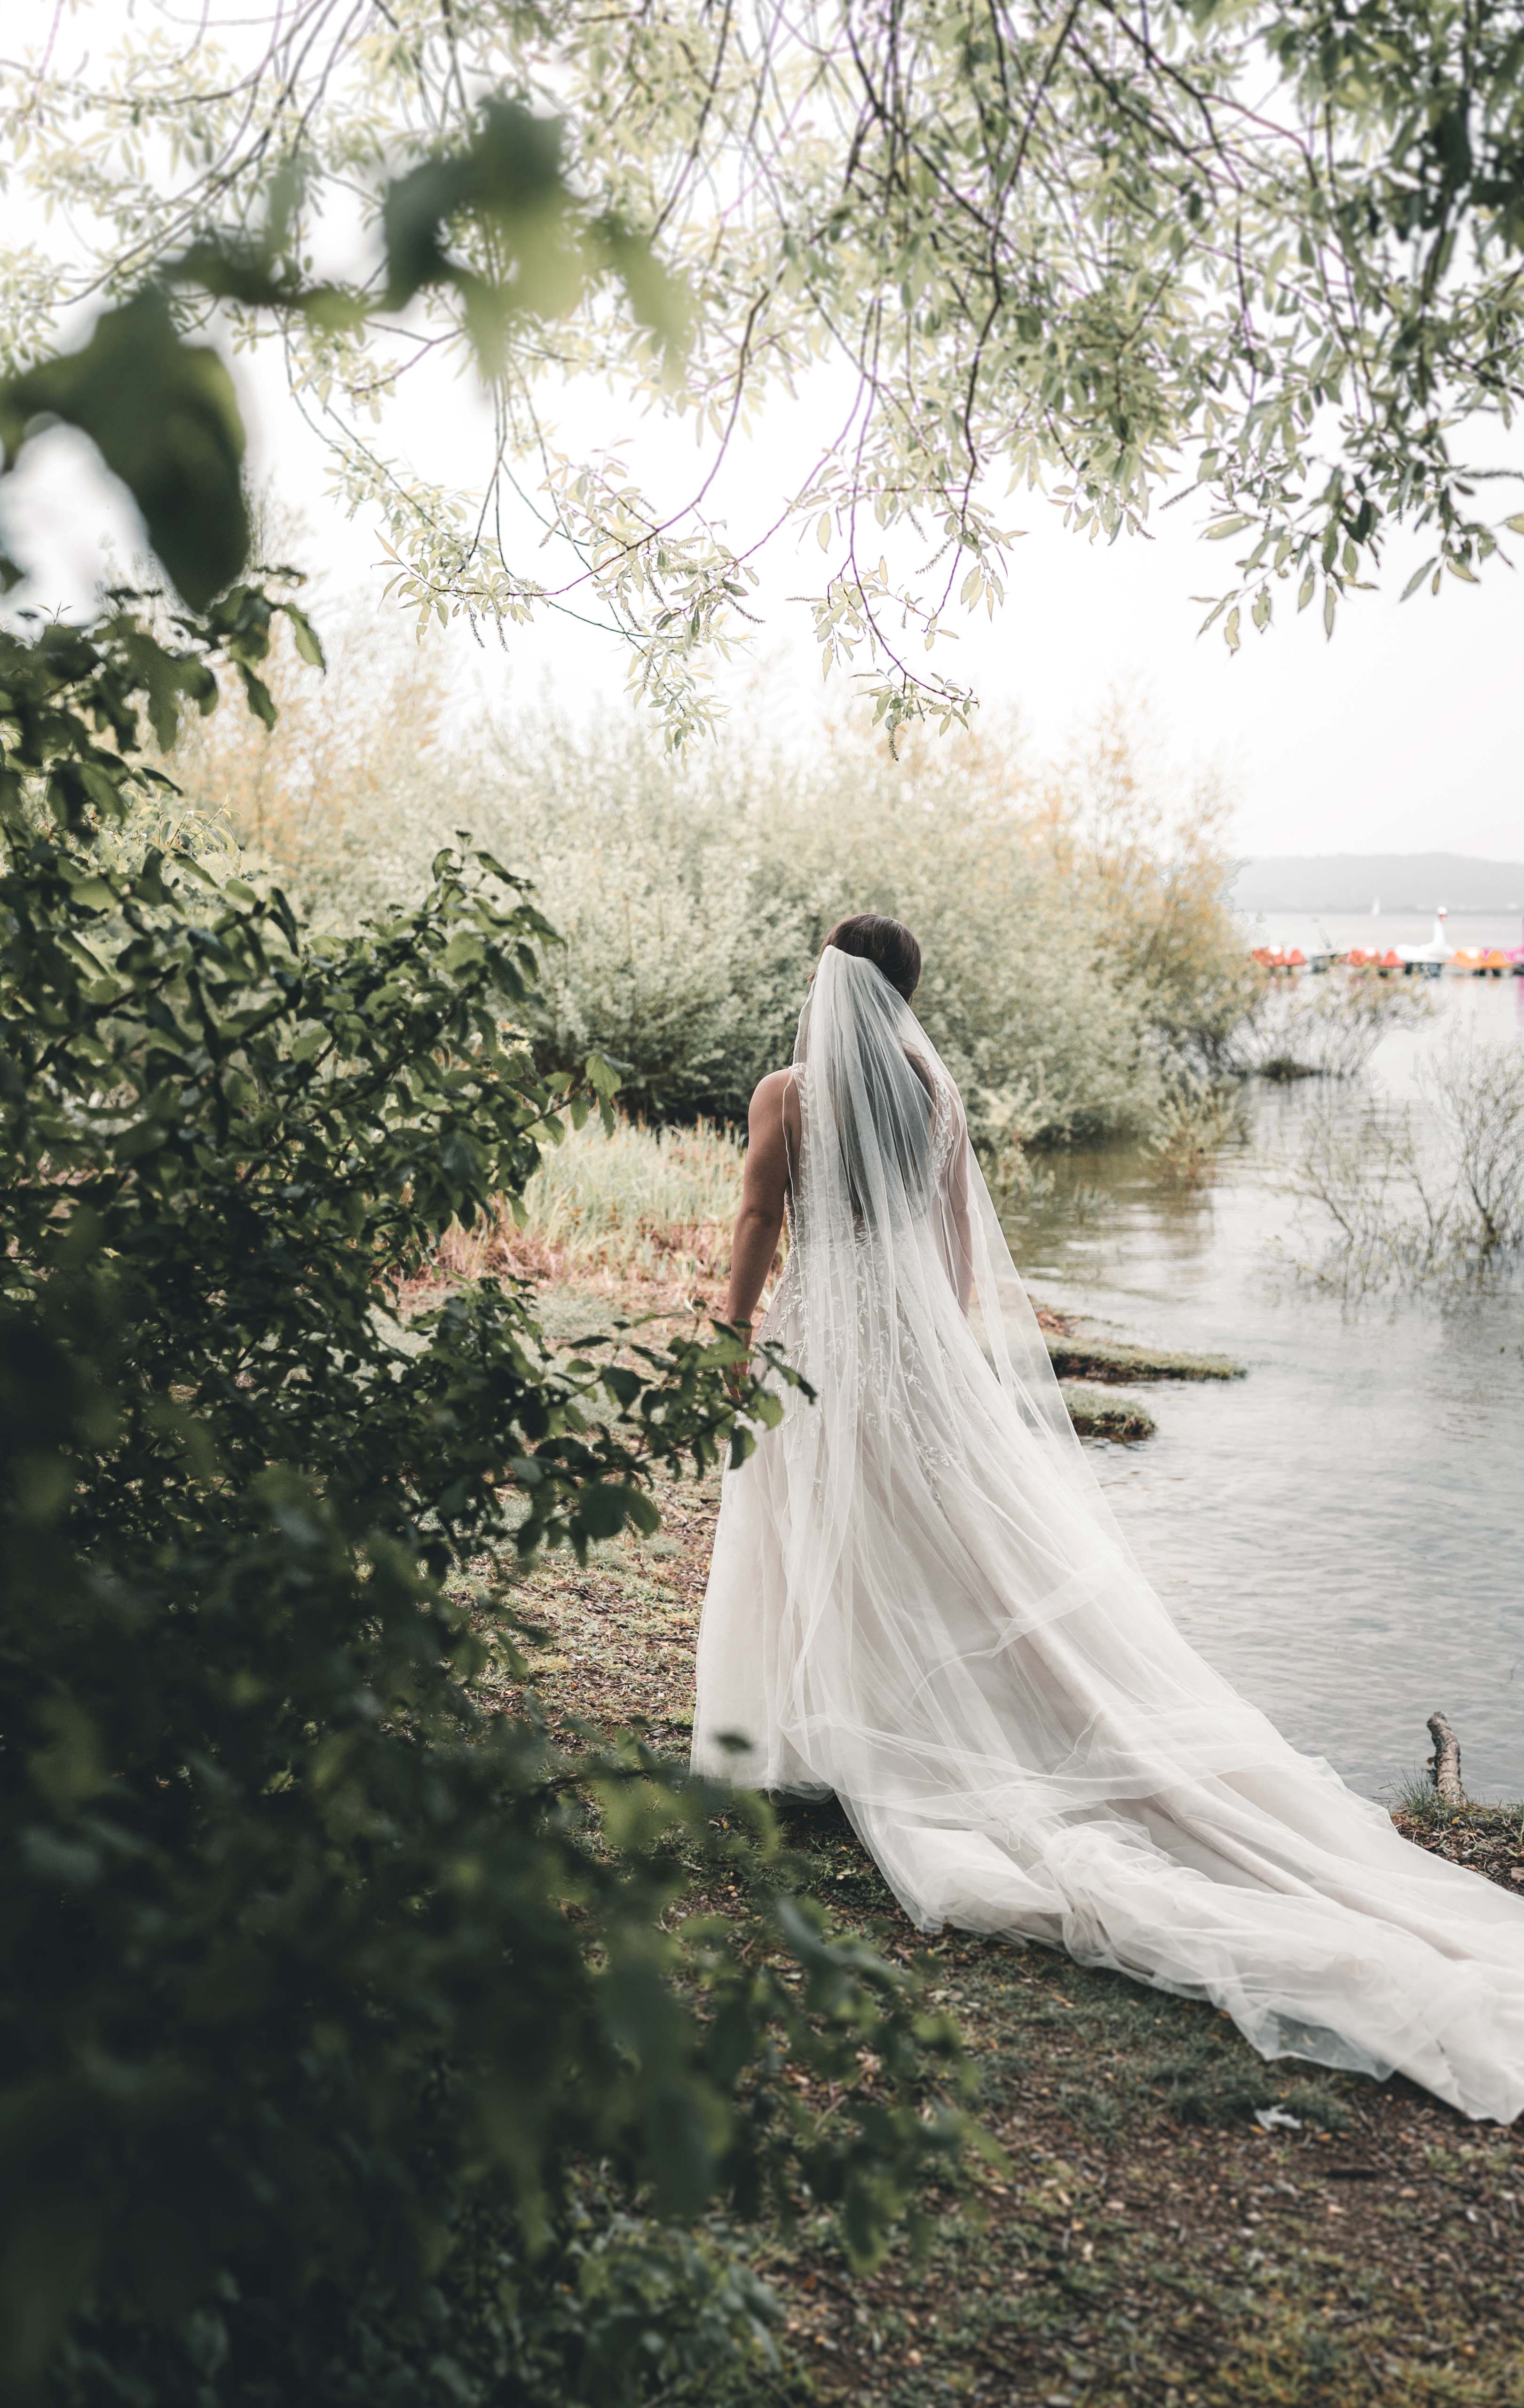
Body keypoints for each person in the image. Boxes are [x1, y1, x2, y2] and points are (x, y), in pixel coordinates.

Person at [691, 914, 1524, 2123]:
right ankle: (898, 1717)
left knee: (827, 1528)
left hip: (823, 1337)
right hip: (912, 1350)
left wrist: (730, 1334)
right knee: (946, 1548)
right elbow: (957, 1248)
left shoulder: (785, 1092)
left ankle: (820, 1728)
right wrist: (953, 1366)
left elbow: (759, 1222)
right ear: (907, 996)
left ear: (829, 989)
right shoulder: (934, 1090)